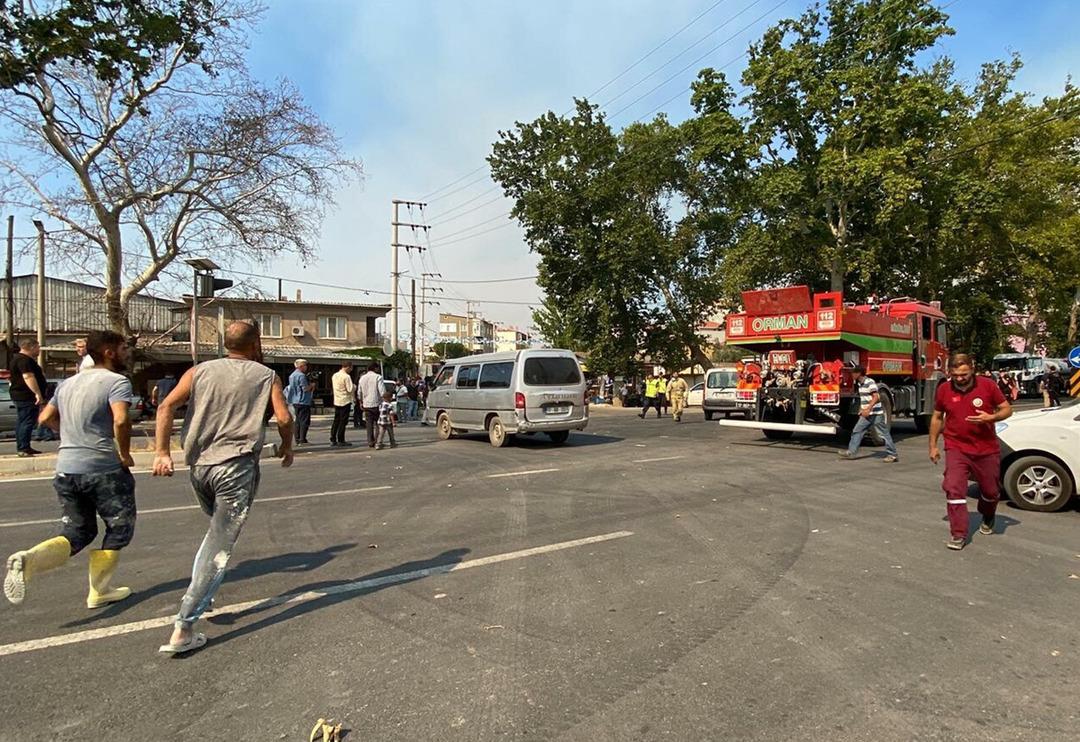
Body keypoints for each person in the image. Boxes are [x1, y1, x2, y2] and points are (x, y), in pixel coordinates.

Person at [152, 320, 293, 654]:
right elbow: (285, 418)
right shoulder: (266, 376)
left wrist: (162, 452)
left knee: (214, 533)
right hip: (235, 468)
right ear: (255, 344)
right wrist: (288, 447)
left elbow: (166, 405)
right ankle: (184, 626)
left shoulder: (199, 371)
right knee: (219, 542)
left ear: (225, 343)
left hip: (199, 467)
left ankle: (205, 591)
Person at [4, 330, 135, 607]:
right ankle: (100, 590)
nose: (128, 353)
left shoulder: (67, 384)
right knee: (120, 527)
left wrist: (70, 435)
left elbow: (45, 417)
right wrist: (124, 454)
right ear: (109, 352)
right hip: (102, 468)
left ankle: (30, 559)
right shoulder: (117, 382)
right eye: (124, 348)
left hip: (66, 468)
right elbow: (121, 420)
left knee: (78, 531)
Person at [929, 353, 1012, 550]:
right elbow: (937, 417)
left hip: (986, 449)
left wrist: (991, 417)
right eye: (955, 375)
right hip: (956, 447)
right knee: (954, 488)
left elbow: (1007, 409)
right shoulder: (944, 389)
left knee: (991, 491)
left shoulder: (987, 385)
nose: (959, 378)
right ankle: (958, 533)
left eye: (964, 374)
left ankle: (988, 514)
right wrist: (933, 445)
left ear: (972, 369)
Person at [838, 365, 898, 463]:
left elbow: (876, 397)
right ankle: (851, 452)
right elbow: (864, 399)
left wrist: (868, 409)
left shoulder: (870, 382)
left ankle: (892, 455)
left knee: (883, 433)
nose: (852, 375)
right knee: (857, 431)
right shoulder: (860, 384)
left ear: (858, 373)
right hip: (866, 415)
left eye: (853, 373)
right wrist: (862, 410)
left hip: (876, 414)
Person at [9, 338, 47, 457]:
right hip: (26, 395)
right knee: (27, 421)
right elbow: (28, 377)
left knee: (23, 420)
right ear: (31, 347)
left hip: (21, 394)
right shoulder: (24, 360)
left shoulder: (17, 359)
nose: (39, 350)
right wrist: (37, 393)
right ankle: (23, 448)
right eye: (38, 347)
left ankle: (24, 446)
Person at [285, 359, 314, 445]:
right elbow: (305, 388)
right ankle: (302, 439)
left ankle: (297, 438)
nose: (306, 367)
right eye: (305, 365)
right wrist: (311, 385)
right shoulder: (301, 376)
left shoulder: (292, 375)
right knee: (304, 420)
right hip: (303, 400)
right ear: (301, 366)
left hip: (294, 400)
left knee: (297, 420)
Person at [358, 362, 385, 448]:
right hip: (376, 403)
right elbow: (382, 391)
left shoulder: (362, 378)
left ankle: (370, 441)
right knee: (378, 424)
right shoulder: (378, 377)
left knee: (369, 424)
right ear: (375, 368)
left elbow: (359, 392)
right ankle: (377, 441)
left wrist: (360, 402)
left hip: (366, 404)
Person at [330, 361, 355, 446]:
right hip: (345, 400)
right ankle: (341, 439)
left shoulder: (335, 375)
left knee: (336, 420)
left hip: (337, 399)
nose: (351, 370)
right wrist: (354, 386)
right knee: (343, 421)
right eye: (351, 368)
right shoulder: (346, 376)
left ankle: (333, 438)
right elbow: (350, 389)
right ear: (348, 367)